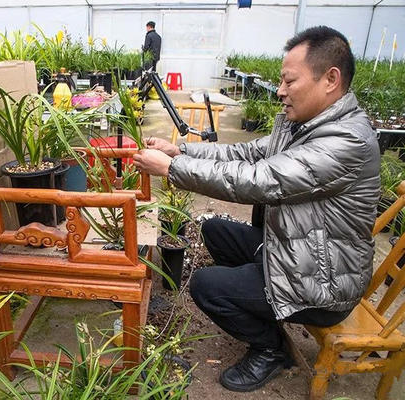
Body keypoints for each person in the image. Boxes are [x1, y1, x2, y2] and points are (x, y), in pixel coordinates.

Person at [133, 26, 380, 392]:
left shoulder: (347, 141)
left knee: (206, 286)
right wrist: (180, 151)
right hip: (296, 250)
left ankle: (270, 348)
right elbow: (244, 153)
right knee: (214, 229)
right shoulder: (300, 123)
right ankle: (260, 300)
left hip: (323, 283)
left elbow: (260, 179)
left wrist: (171, 170)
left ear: (330, 79)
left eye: (289, 81)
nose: (280, 90)